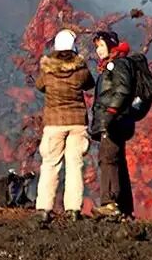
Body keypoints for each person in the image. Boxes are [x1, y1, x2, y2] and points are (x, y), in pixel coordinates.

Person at [35, 28, 95, 223]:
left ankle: (44, 208)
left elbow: (39, 86)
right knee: (75, 166)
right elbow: (90, 84)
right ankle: (73, 210)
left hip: (54, 123)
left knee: (50, 165)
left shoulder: (47, 71)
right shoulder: (80, 71)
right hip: (77, 123)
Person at [90, 30, 135, 218]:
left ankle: (110, 203)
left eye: (101, 45)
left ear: (110, 45)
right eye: (97, 47)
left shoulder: (117, 64)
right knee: (117, 161)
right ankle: (124, 207)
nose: (98, 50)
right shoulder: (114, 64)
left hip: (113, 122)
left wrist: (110, 113)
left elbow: (123, 89)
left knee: (107, 159)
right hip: (117, 121)